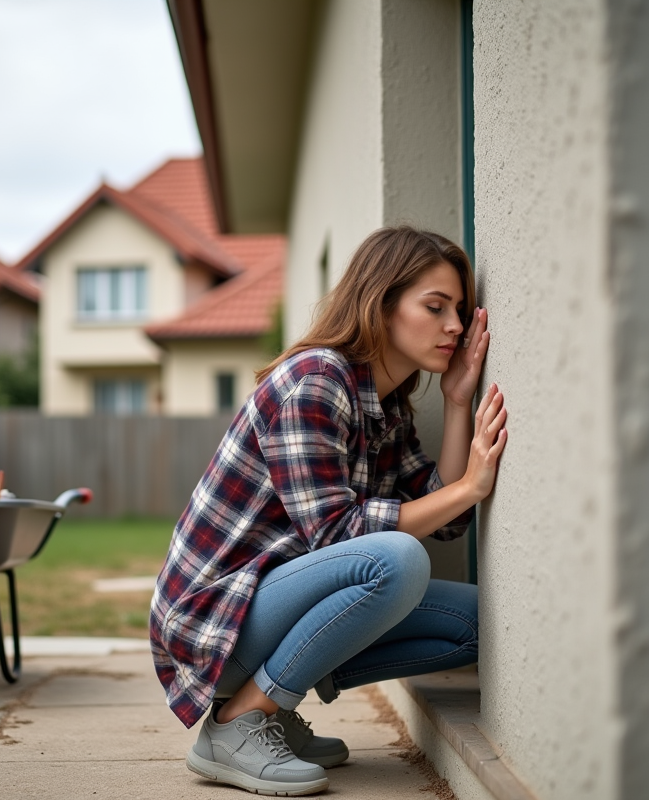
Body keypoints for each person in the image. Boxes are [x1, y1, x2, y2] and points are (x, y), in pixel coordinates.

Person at [149, 226, 509, 796]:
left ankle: (270, 702)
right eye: (435, 307)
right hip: (215, 621)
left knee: (480, 625)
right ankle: (241, 718)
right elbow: (338, 535)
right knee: (396, 560)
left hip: (273, 609)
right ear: (381, 305)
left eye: (461, 311)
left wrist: (457, 401)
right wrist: (469, 486)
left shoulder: (386, 405)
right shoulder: (316, 381)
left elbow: (447, 517)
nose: (456, 327)